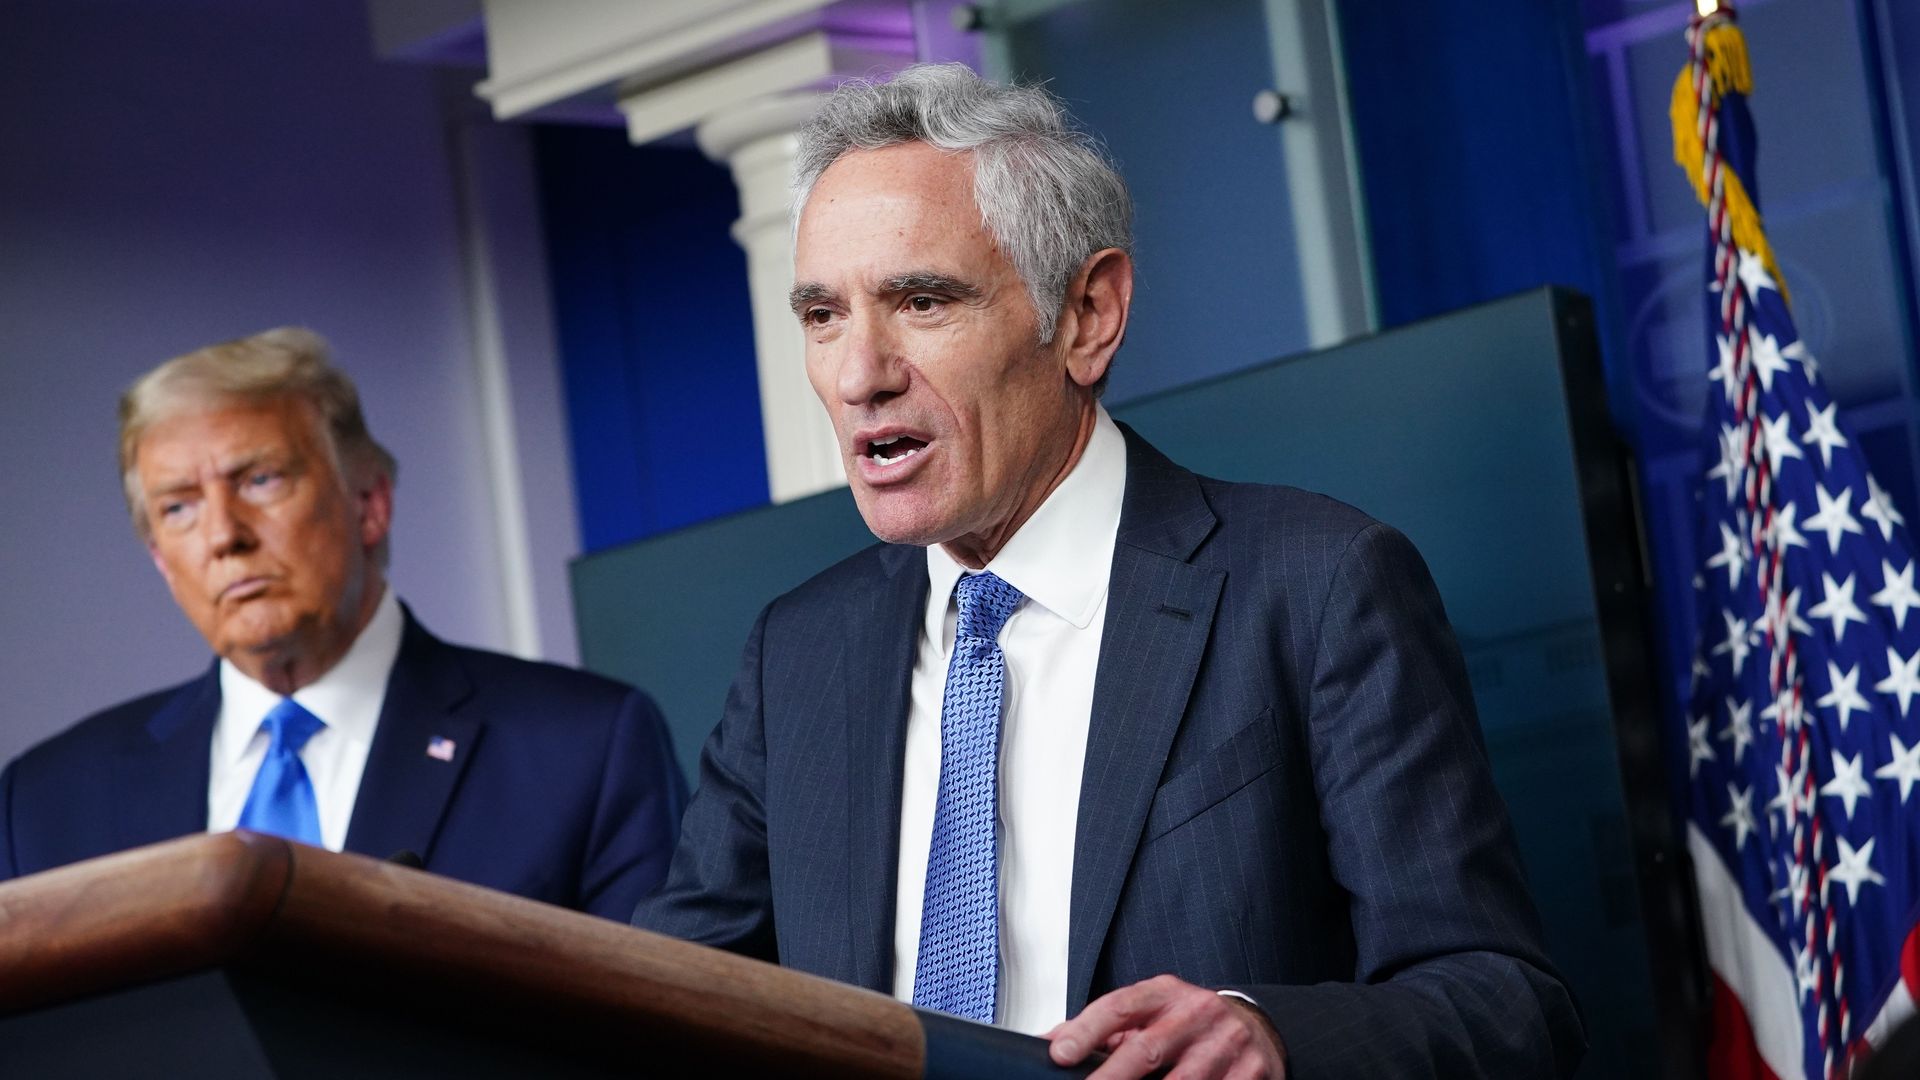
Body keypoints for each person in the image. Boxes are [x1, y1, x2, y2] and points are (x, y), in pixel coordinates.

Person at [635, 64, 1583, 1077]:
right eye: (822, 315)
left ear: (1087, 314)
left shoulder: (1316, 587)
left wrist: (1275, 1037)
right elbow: (657, 1006)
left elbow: (1506, 1005)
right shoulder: (798, 653)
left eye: (920, 301)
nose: (861, 373)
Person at [0, 329, 685, 922]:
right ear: (159, 557)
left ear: (369, 504)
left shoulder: (584, 751)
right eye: (178, 508)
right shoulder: (46, 806)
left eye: (261, 480)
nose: (223, 535)